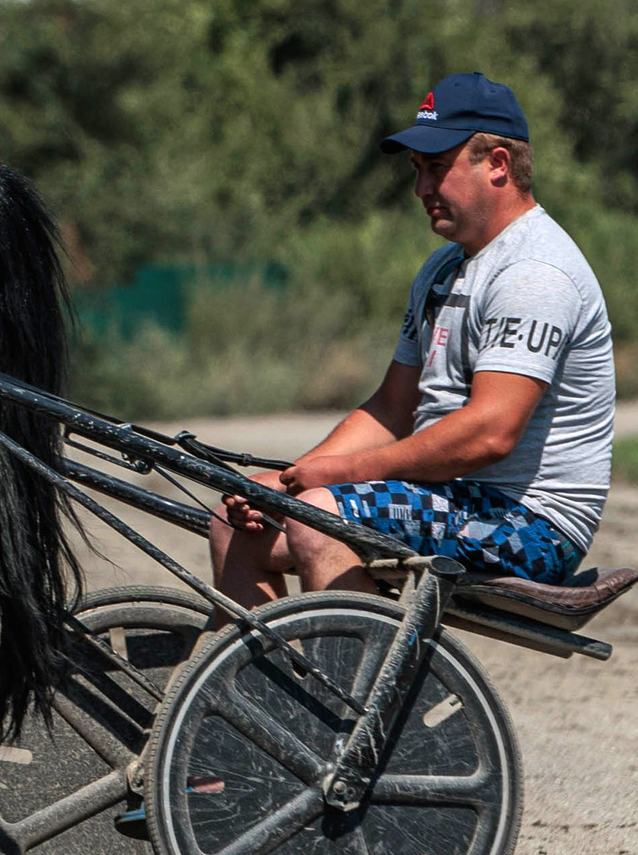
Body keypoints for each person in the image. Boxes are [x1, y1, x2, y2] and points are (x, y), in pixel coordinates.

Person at [212, 73, 614, 603]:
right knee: (236, 522)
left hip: (531, 522)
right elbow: (391, 408)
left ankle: (352, 657)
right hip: (450, 497)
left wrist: (338, 476)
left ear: (498, 164)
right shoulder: (443, 268)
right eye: (417, 170)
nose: (421, 189)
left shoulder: (534, 271)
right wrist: (291, 480)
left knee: (315, 518)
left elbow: (490, 433)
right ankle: (255, 659)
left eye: (437, 168)